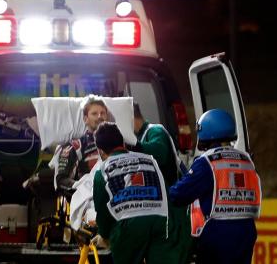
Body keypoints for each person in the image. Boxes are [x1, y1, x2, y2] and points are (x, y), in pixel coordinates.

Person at [169, 109, 261, 264]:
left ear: (207, 132)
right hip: (247, 230)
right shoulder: (246, 160)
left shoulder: (207, 162)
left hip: (219, 232)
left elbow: (177, 195)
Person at [92, 122, 173, 264]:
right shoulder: (149, 160)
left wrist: (104, 235)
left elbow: (102, 211)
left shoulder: (102, 171)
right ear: (123, 142)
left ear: (100, 151)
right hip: (161, 221)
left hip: (129, 228)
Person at [129, 102, 193, 263]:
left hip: (173, 216)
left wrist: (132, 145)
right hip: (161, 215)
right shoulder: (140, 137)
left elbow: (160, 153)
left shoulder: (155, 131)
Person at [55, 98, 108, 192]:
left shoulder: (121, 142)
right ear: (85, 119)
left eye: (103, 113)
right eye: (94, 113)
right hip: (89, 198)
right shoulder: (75, 146)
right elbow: (61, 180)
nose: (100, 116)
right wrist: (85, 188)